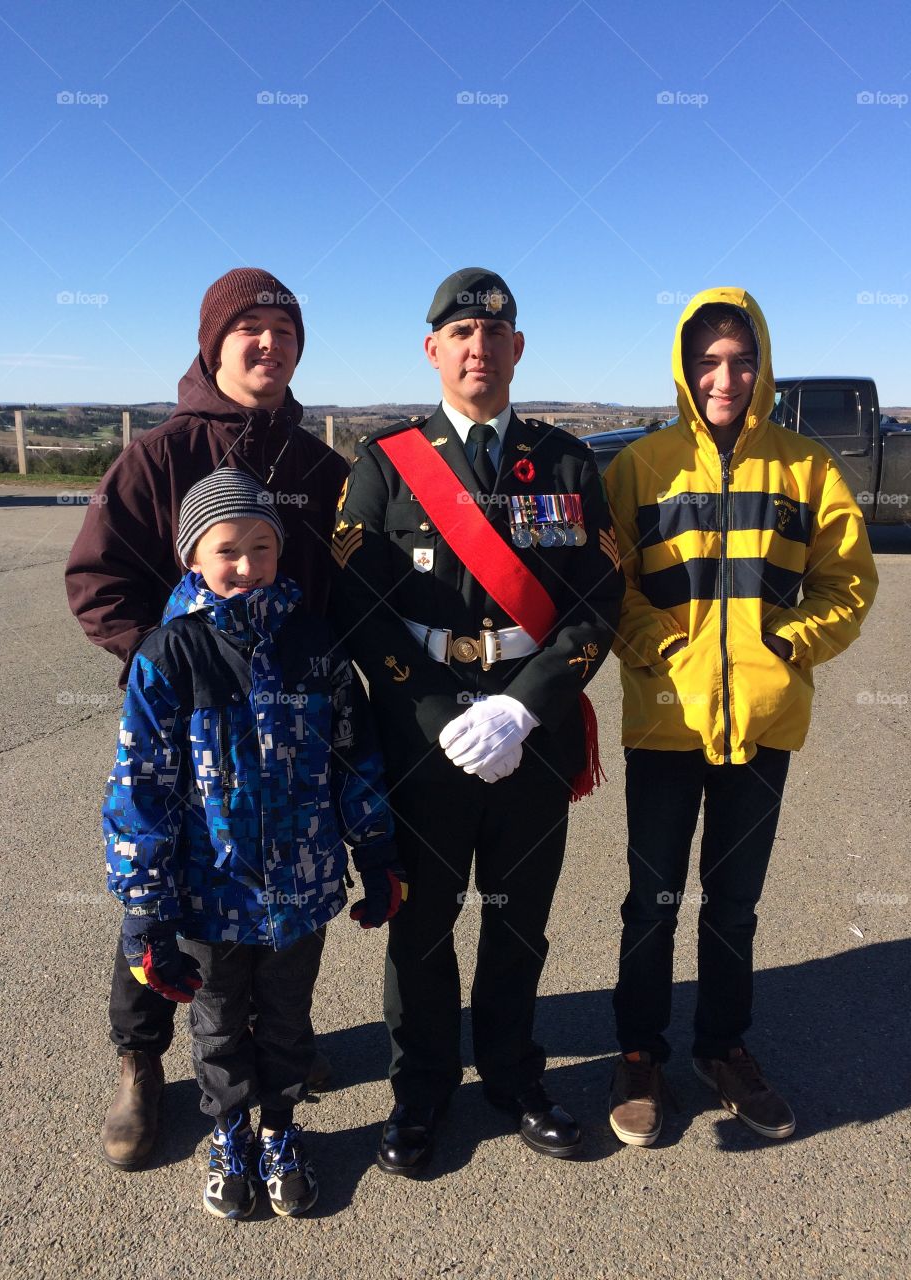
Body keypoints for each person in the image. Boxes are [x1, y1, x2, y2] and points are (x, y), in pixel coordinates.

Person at [331, 268, 623, 1175]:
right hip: (420, 741)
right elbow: (358, 604)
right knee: (422, 925)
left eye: (494, 335)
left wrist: (521, 708)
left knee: (520, 918)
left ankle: (511, 1074)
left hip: (529, 737)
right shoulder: (385, 463)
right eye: (459, 334)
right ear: (433, 351)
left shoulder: (569, 463)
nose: (477, 348)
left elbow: (597, 600)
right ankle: (420, 1090)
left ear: (517, 349)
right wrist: (431, 713)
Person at [65, 268, 349, 1172]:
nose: (269, 344)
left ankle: (271, 1057)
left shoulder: (320, 466)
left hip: (290, 731)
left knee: (275, 888)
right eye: (250, 329)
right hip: (185, 734)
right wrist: (167, 665)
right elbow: (96, 581)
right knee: (161, 889)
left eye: (285, 330)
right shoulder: (159, 455)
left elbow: (351, 588)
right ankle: (141, 1063)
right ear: (213, 344)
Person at [604, 287, 878, 1146]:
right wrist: (661, 647)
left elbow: (850, 582)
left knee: (734, 903)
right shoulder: (640, 466)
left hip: (762, 722)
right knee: (652, 901)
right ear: (686, 368)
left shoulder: (807, 466)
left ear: (762, 365)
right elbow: (606, 586)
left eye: (742, 359)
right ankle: (640, 1056)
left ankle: (722, 1048)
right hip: (666, 716)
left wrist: (788, 642)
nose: (726, 376)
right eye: (709, 361)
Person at [104, 468, 404, 1218]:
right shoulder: (168, 654)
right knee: (215, 1024)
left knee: (287, 1019)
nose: (247, 564)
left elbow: (352, 754)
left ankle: (279, 1128)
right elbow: (140, 789)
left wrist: (375, 850)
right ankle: (229, 1130)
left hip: (299, 890)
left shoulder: (313, 643)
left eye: (262, 547)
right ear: (193, 558)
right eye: (227, 549)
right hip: (209, 897)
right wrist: (146, 908)